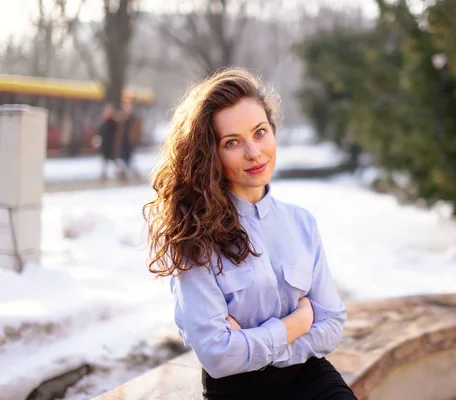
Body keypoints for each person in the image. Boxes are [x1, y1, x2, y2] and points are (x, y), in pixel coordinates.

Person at [143, 68, 356, 400]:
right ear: (210, 154)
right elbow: (218, 356)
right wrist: (294, 326)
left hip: (310, 379)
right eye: (232, 142)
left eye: (260, 132)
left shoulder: (302, 224)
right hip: (237, 391)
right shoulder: (194, 239)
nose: (254, 152)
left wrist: (256, 346)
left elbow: (330, 326)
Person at [118, 101, 142, 179]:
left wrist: (135, 139)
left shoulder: (134, 118)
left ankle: (132, 172)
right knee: (124, 158)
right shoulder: (122, 118)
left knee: (129, 158)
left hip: (130, 142)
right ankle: (126, 173)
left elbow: (137, 131)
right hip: (123, 142)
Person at [98, 103, 120, 180]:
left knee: (113, 161)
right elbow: (101, 133)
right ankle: (104, 174)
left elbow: (116, 135)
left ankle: (120, 173)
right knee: (106, 161)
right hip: (105, 146)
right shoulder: (104, 122)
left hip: (111, 146)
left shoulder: (113, 123)